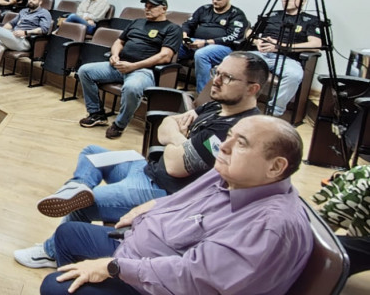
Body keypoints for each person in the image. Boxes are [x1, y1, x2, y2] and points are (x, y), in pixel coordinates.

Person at [15, 52, 267, 270]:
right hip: (147, 168)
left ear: (252, 89)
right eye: (217, 72)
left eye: (228, 77)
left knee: (82, 205)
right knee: (92, 152)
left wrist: (174, 137)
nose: (217, 80)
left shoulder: (234, 131)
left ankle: (50, 252)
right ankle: (76, 186)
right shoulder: (216, 105)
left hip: (162, 190)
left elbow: (174, 165)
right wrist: (180, 139)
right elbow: (166, 126)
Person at [38, 116, 312, 295]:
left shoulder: (268, 224)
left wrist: (112, 268)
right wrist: (149, 207)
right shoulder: (228, 173)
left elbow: (195, 279)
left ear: (276, 167)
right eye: (229, 136)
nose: (224, 147)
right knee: (68, 234)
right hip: (136, 251)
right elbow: (179, 199)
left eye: (240, 144)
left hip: (163, 287)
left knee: (55, 287)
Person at [78, 0, 182, 139]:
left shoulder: (172, 28)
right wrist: (115, 55)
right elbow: (119, 42)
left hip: (142, 71)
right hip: (120, 66)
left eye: (152, 6)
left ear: (164, 9)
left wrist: (133, 66)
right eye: (146, 6)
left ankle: (119, 124)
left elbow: (165, 56)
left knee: (132, 88)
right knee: (85, 71)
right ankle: (97, 114)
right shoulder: (137, 22)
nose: (147, 8)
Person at [247, 0, 322, 116]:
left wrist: (281, 46)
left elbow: (316, 44)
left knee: (294, 75)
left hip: (287, 59)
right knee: (229, 61)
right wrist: (256, 41)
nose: (285, 0)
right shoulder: (272, 15)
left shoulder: (311, 20)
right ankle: (238, 103)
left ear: (303, 1)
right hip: (262, 54)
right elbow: (249, 32)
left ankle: (274, 112)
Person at [178, 0, 249, 92]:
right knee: (171, 46)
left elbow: (233, 37)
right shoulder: (204, 9)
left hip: (223, 47)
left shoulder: (236, 14)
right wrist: (184, 36)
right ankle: (162, 84)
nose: (215, 1)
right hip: (195, 42)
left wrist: (206, 43)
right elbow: (188, 24)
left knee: (202, 54)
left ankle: (203, 96)